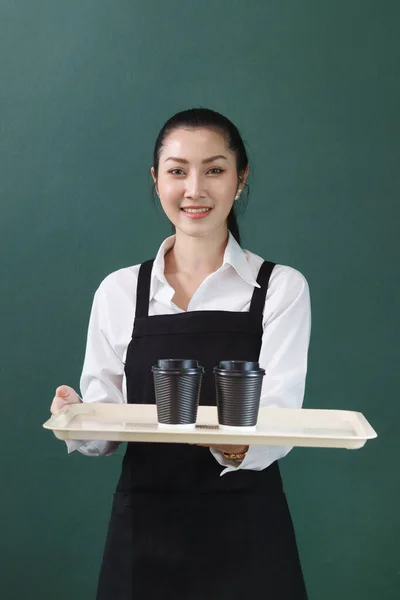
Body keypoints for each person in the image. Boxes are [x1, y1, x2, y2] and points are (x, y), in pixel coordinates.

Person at [50, 108, 311, 599]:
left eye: (214, 169)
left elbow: (281, 415)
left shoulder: (280, 288)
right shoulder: (119, 290)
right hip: (144, 529)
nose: (195, 189)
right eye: (177, 171)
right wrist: (75, 418)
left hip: (248, 528)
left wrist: (235, 448)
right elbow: (105, 430)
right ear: (156, 179)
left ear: (241, 178)